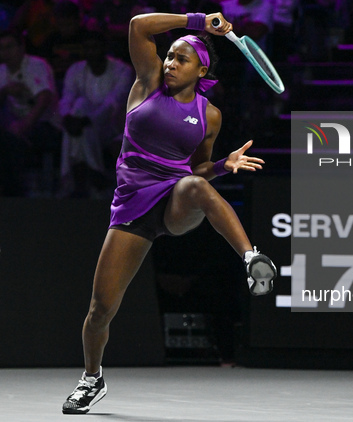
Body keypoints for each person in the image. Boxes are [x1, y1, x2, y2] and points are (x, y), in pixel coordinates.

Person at [61, 11, 277, 414]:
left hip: (175, 200)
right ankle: (92, 378)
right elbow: (138, 26)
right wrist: (197, 21)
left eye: (181, 58)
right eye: (169, 56)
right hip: (132, 205)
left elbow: (197, 170)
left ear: (202, 68)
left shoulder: (209, 115)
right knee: (100, 310)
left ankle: (251, 258)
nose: (169, 62)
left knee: (196, 185)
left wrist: (221, 166)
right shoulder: (147, 85)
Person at [58, 31, 134, 197]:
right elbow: (66, 99)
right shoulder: (75, 70)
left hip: (114, 127)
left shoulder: (122, 71)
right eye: (87, 48)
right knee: (79, 107)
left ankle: (72, 180)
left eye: (95, 48)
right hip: (84, 127)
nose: (91, 52)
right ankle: (95, 171)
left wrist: (86, 120)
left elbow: (112, 105)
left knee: (80, 125)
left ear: (104, 48)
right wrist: (67, 117)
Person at [0, 29, 60, 196]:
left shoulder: (36, 65)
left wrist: (25, 124)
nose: (5, 52)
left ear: (21, 47)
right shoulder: (1, 71)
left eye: (9, 47)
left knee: (10, 139)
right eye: (1, 48)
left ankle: (15, 190)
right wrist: (4, 91)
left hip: (46, 124)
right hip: (13, 124)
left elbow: (44, 98)